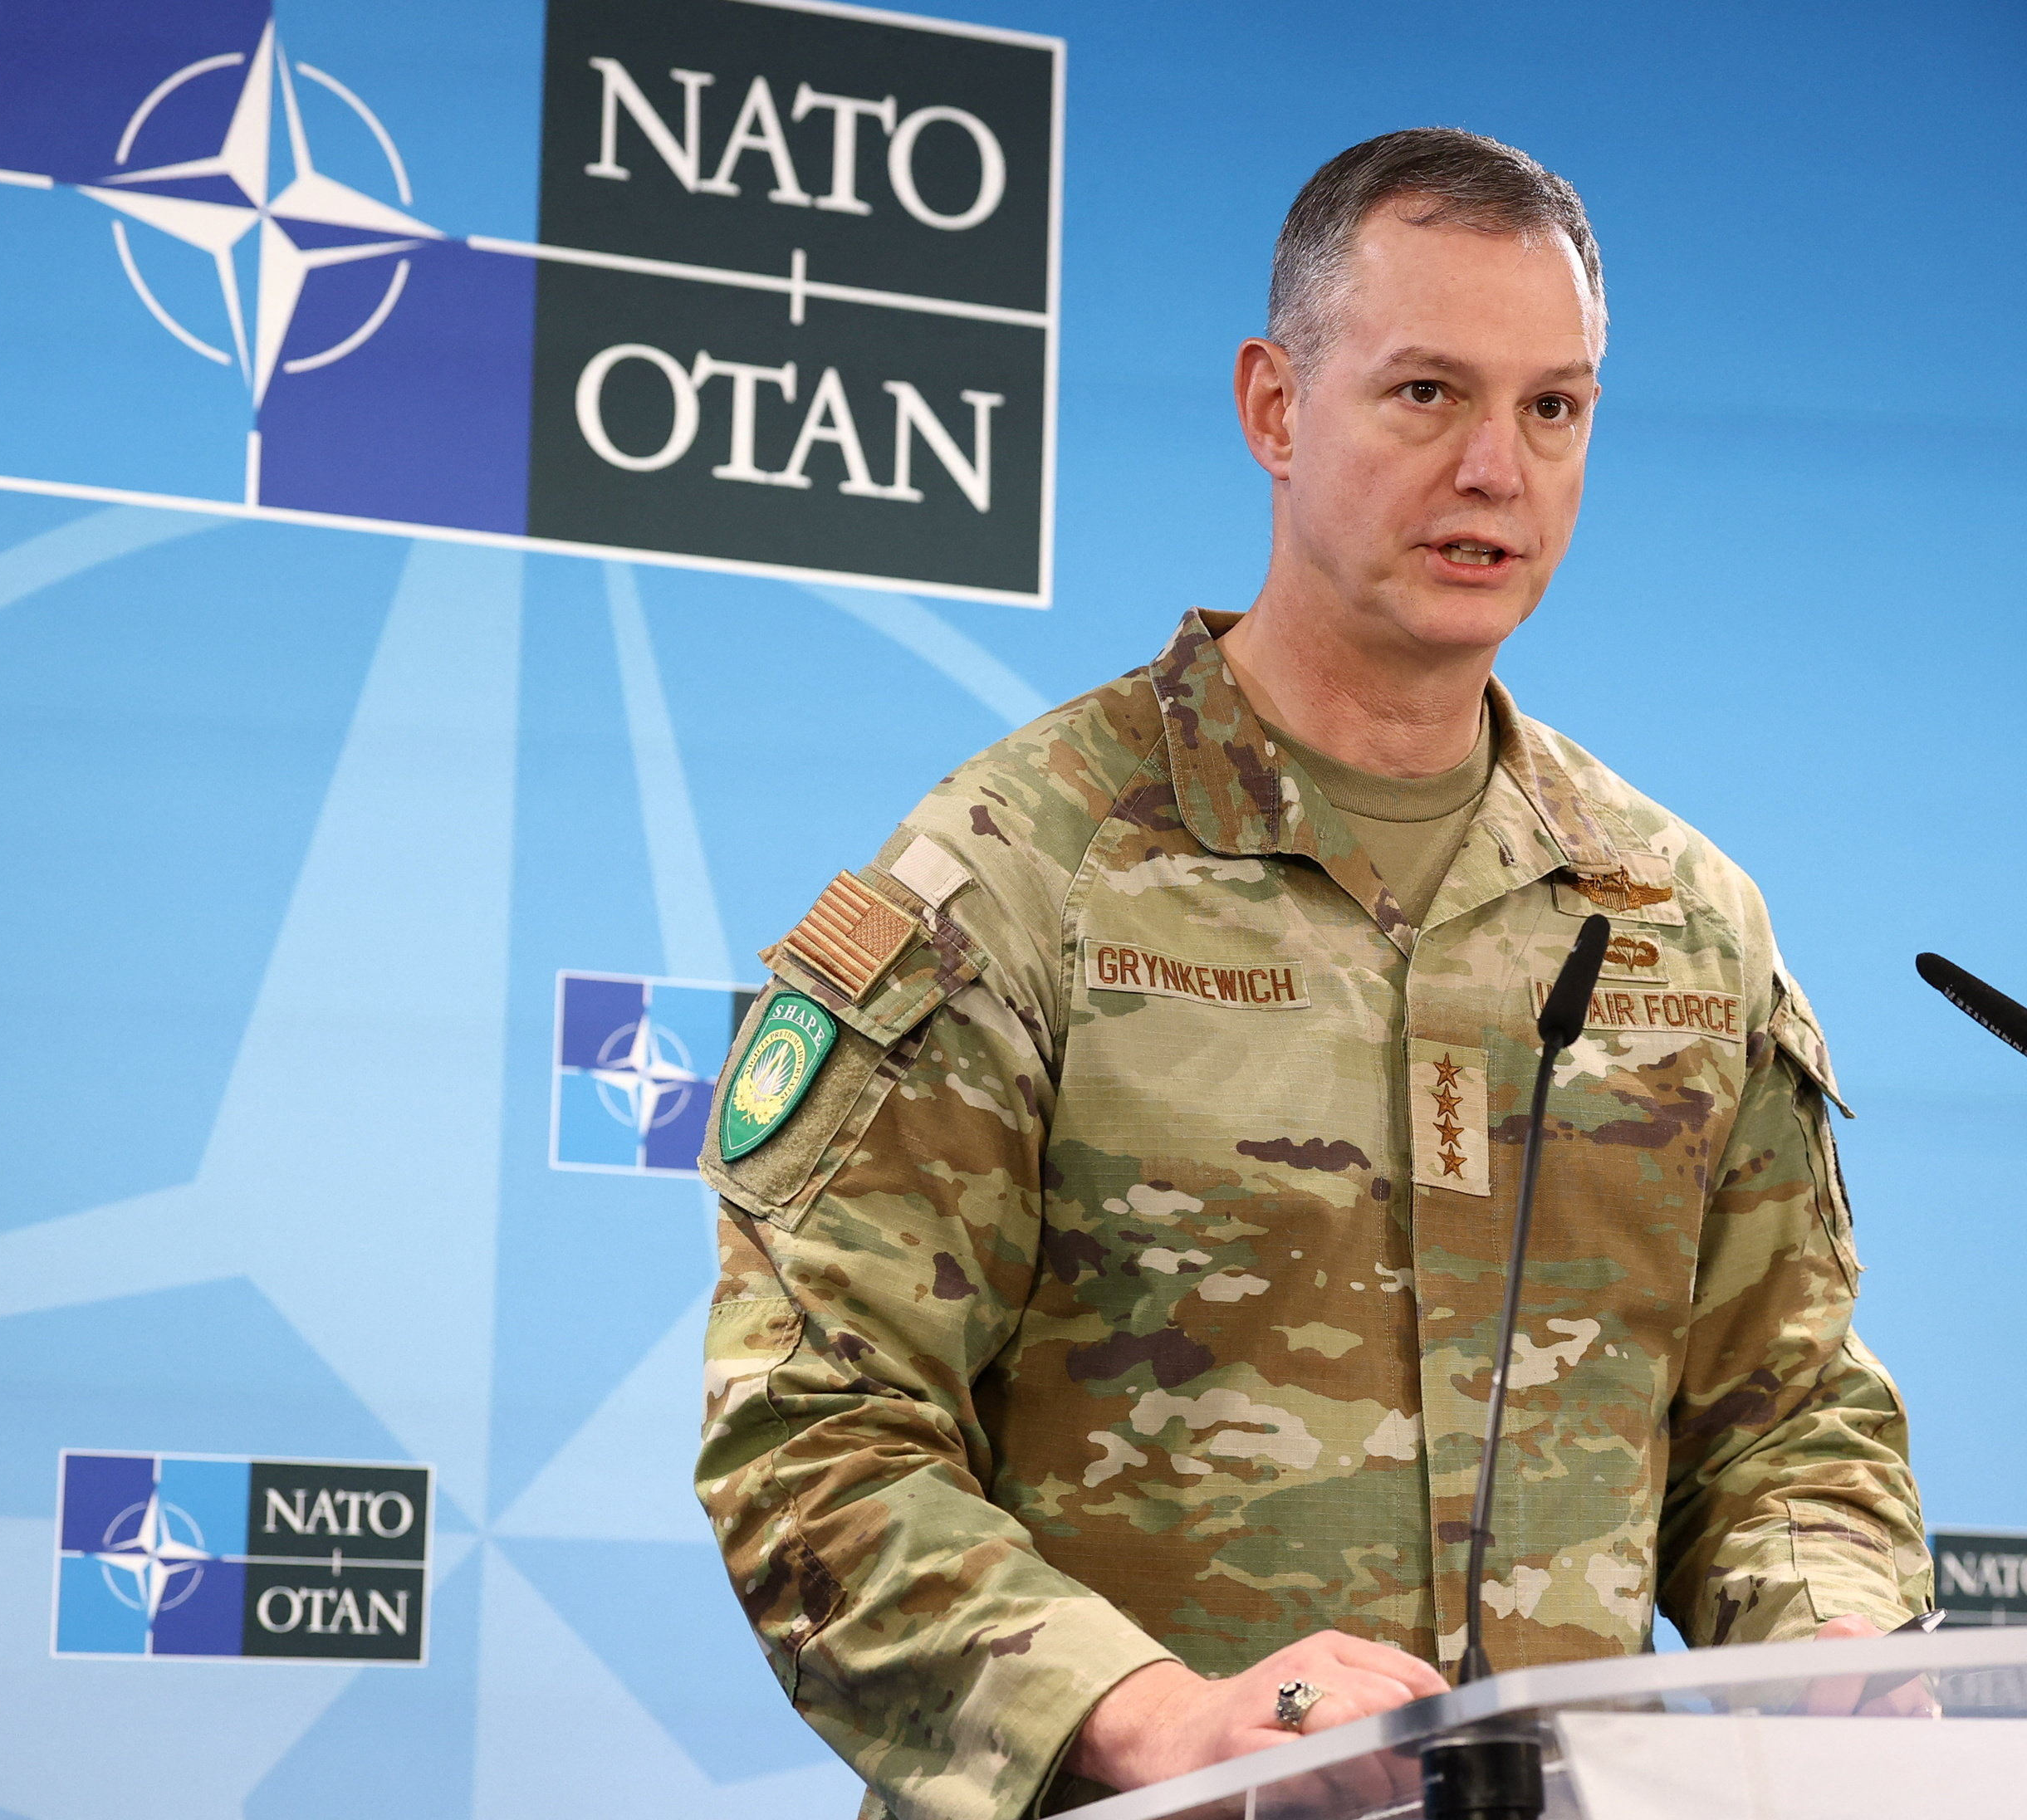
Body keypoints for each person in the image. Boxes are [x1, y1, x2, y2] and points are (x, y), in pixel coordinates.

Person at [696, 128, 1931, 1820]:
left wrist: (1830, 1638)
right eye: (1427, 394)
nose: (1496, 468)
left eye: (1551, 408)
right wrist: (1157, 1720)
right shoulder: (1019, 873)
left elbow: (1782, 1421)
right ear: (1274, 408)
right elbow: (814, 1442)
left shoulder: (1680, 920)